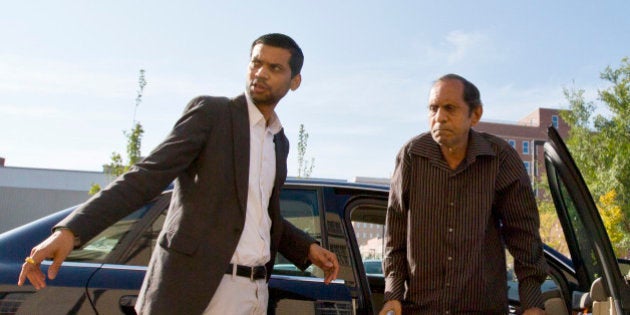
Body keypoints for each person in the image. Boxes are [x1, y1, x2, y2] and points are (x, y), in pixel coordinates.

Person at [18, 33, 339, 315]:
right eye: (256, 63)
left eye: (274, 68)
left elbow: (262, 213)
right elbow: (145, 176)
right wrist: (70, 231)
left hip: (254, 291)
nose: (260, 73)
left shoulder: (278, 141)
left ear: (294, 81)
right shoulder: (213, 116)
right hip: (198, 290)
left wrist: (307, 249)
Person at [379, 74, 548, 315]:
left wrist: (532, 304)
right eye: (433, 108)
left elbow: (524, 236)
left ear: (475, 114)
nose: (439, 117)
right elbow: (394, 236)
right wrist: (393, 296)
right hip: (422, 309)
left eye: (450, 108)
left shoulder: (500, 159)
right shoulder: (412, 156)